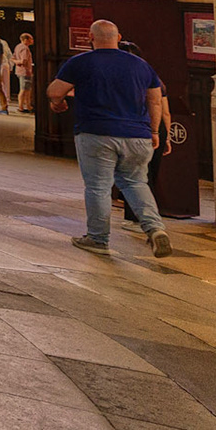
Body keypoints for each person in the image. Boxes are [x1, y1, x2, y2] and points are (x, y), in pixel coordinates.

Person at [47, 19, 174, 257]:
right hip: (138, 135)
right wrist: (154, 131)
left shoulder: (81, 62)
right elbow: (155, 100)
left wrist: (58, 103)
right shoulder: (142, 65)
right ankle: (155, 228)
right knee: (136, 183)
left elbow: (54, 91)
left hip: (96, 133)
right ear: (118, 37)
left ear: (90, 38)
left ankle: (98, 238)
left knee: (98, 187)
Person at [119, 40, 175, 226]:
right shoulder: (154, 77)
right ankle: (150, 216)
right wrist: (166, 135)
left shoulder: (124, 78)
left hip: (136, 126)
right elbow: (164, 110)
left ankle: (134, 215)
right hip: (157, 128)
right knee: (150, 173)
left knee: (132, 175)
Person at [13, 32, 36, 112]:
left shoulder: (17, 46)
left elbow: (13, 58)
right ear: (25, 40)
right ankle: (21, 107)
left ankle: (28, 106)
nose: (32, 40)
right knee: (24, 89)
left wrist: (16, 62)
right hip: (25, 71)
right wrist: (20, 62)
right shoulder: (25, 48)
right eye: (31, 39)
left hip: (19, 71)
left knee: (26, 89)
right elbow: (24, 61)